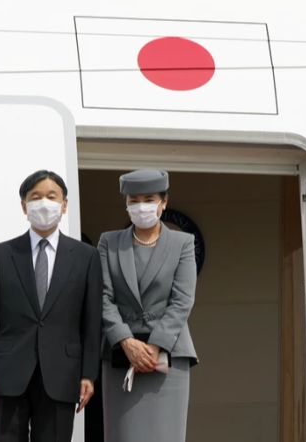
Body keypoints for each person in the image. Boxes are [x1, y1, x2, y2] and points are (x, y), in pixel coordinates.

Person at [0, 169, 102, 442]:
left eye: (52, 196)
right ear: (24, 206)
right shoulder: (0, 254)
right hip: (7, 376)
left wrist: (88, 374)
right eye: (36, 197)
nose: (44, 203)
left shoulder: (86, 257)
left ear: (64, 205)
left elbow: (91, 322)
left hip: (62, 375)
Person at [98, 169, 198, 442]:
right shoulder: (109, 243)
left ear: (164, 202)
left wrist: (155, 345)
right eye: (134, 200)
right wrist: (126, 341)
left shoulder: (183, 243)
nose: (141, 206)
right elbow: (102, 297)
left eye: (149, 199)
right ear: (126, 204)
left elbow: (182, 300)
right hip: (121, 358)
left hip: (168, 358)